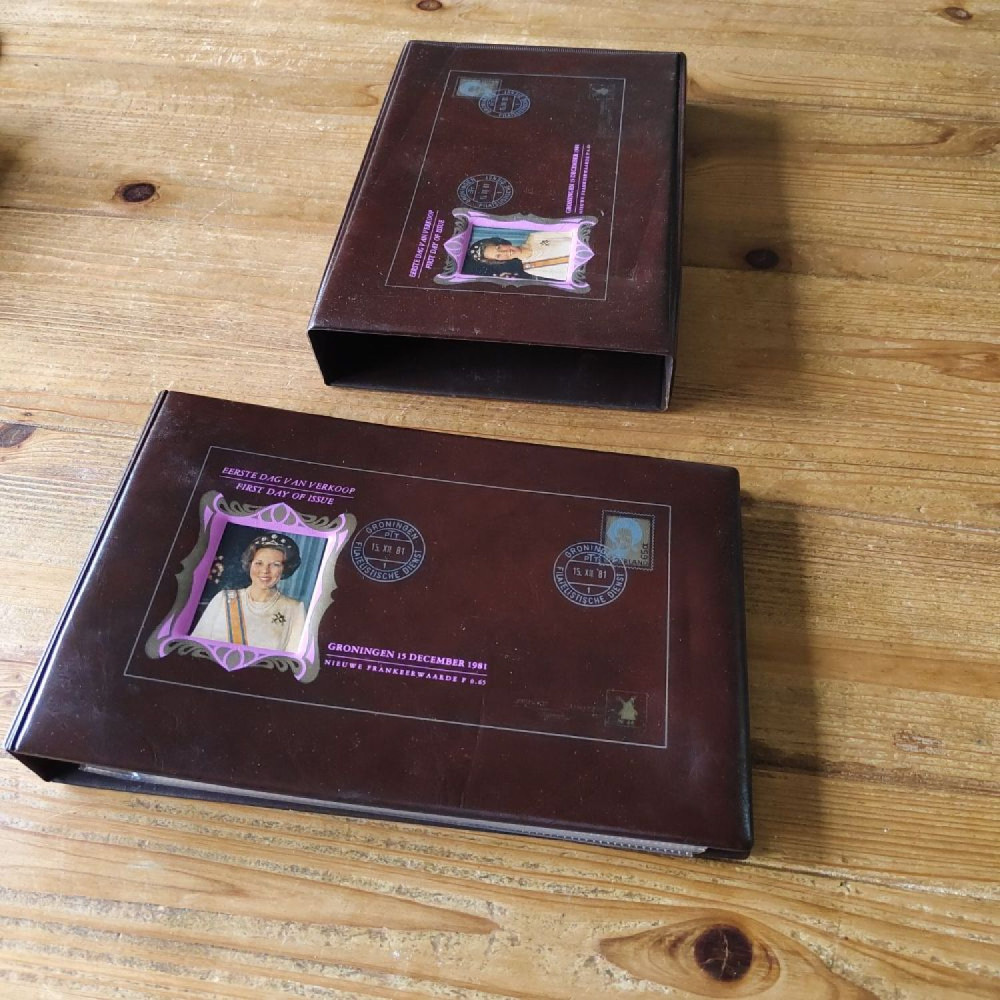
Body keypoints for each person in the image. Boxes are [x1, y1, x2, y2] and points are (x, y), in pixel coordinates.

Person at [191, 533, 306, 652]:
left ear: (285, 569)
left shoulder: (294, 609)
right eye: (259, 563)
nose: (265, 570)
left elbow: (292, 657)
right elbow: (196, 647)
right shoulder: (223, 599)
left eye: (275, 565)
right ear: (250, 564)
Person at [466, 231, 575, 281]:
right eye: (498, 256)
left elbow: (574, 233)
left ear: (501, 242)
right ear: (499, 261)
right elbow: (568, 276)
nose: (505, 252)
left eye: (499, 248)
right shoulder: (530, 269)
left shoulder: (535, 237)